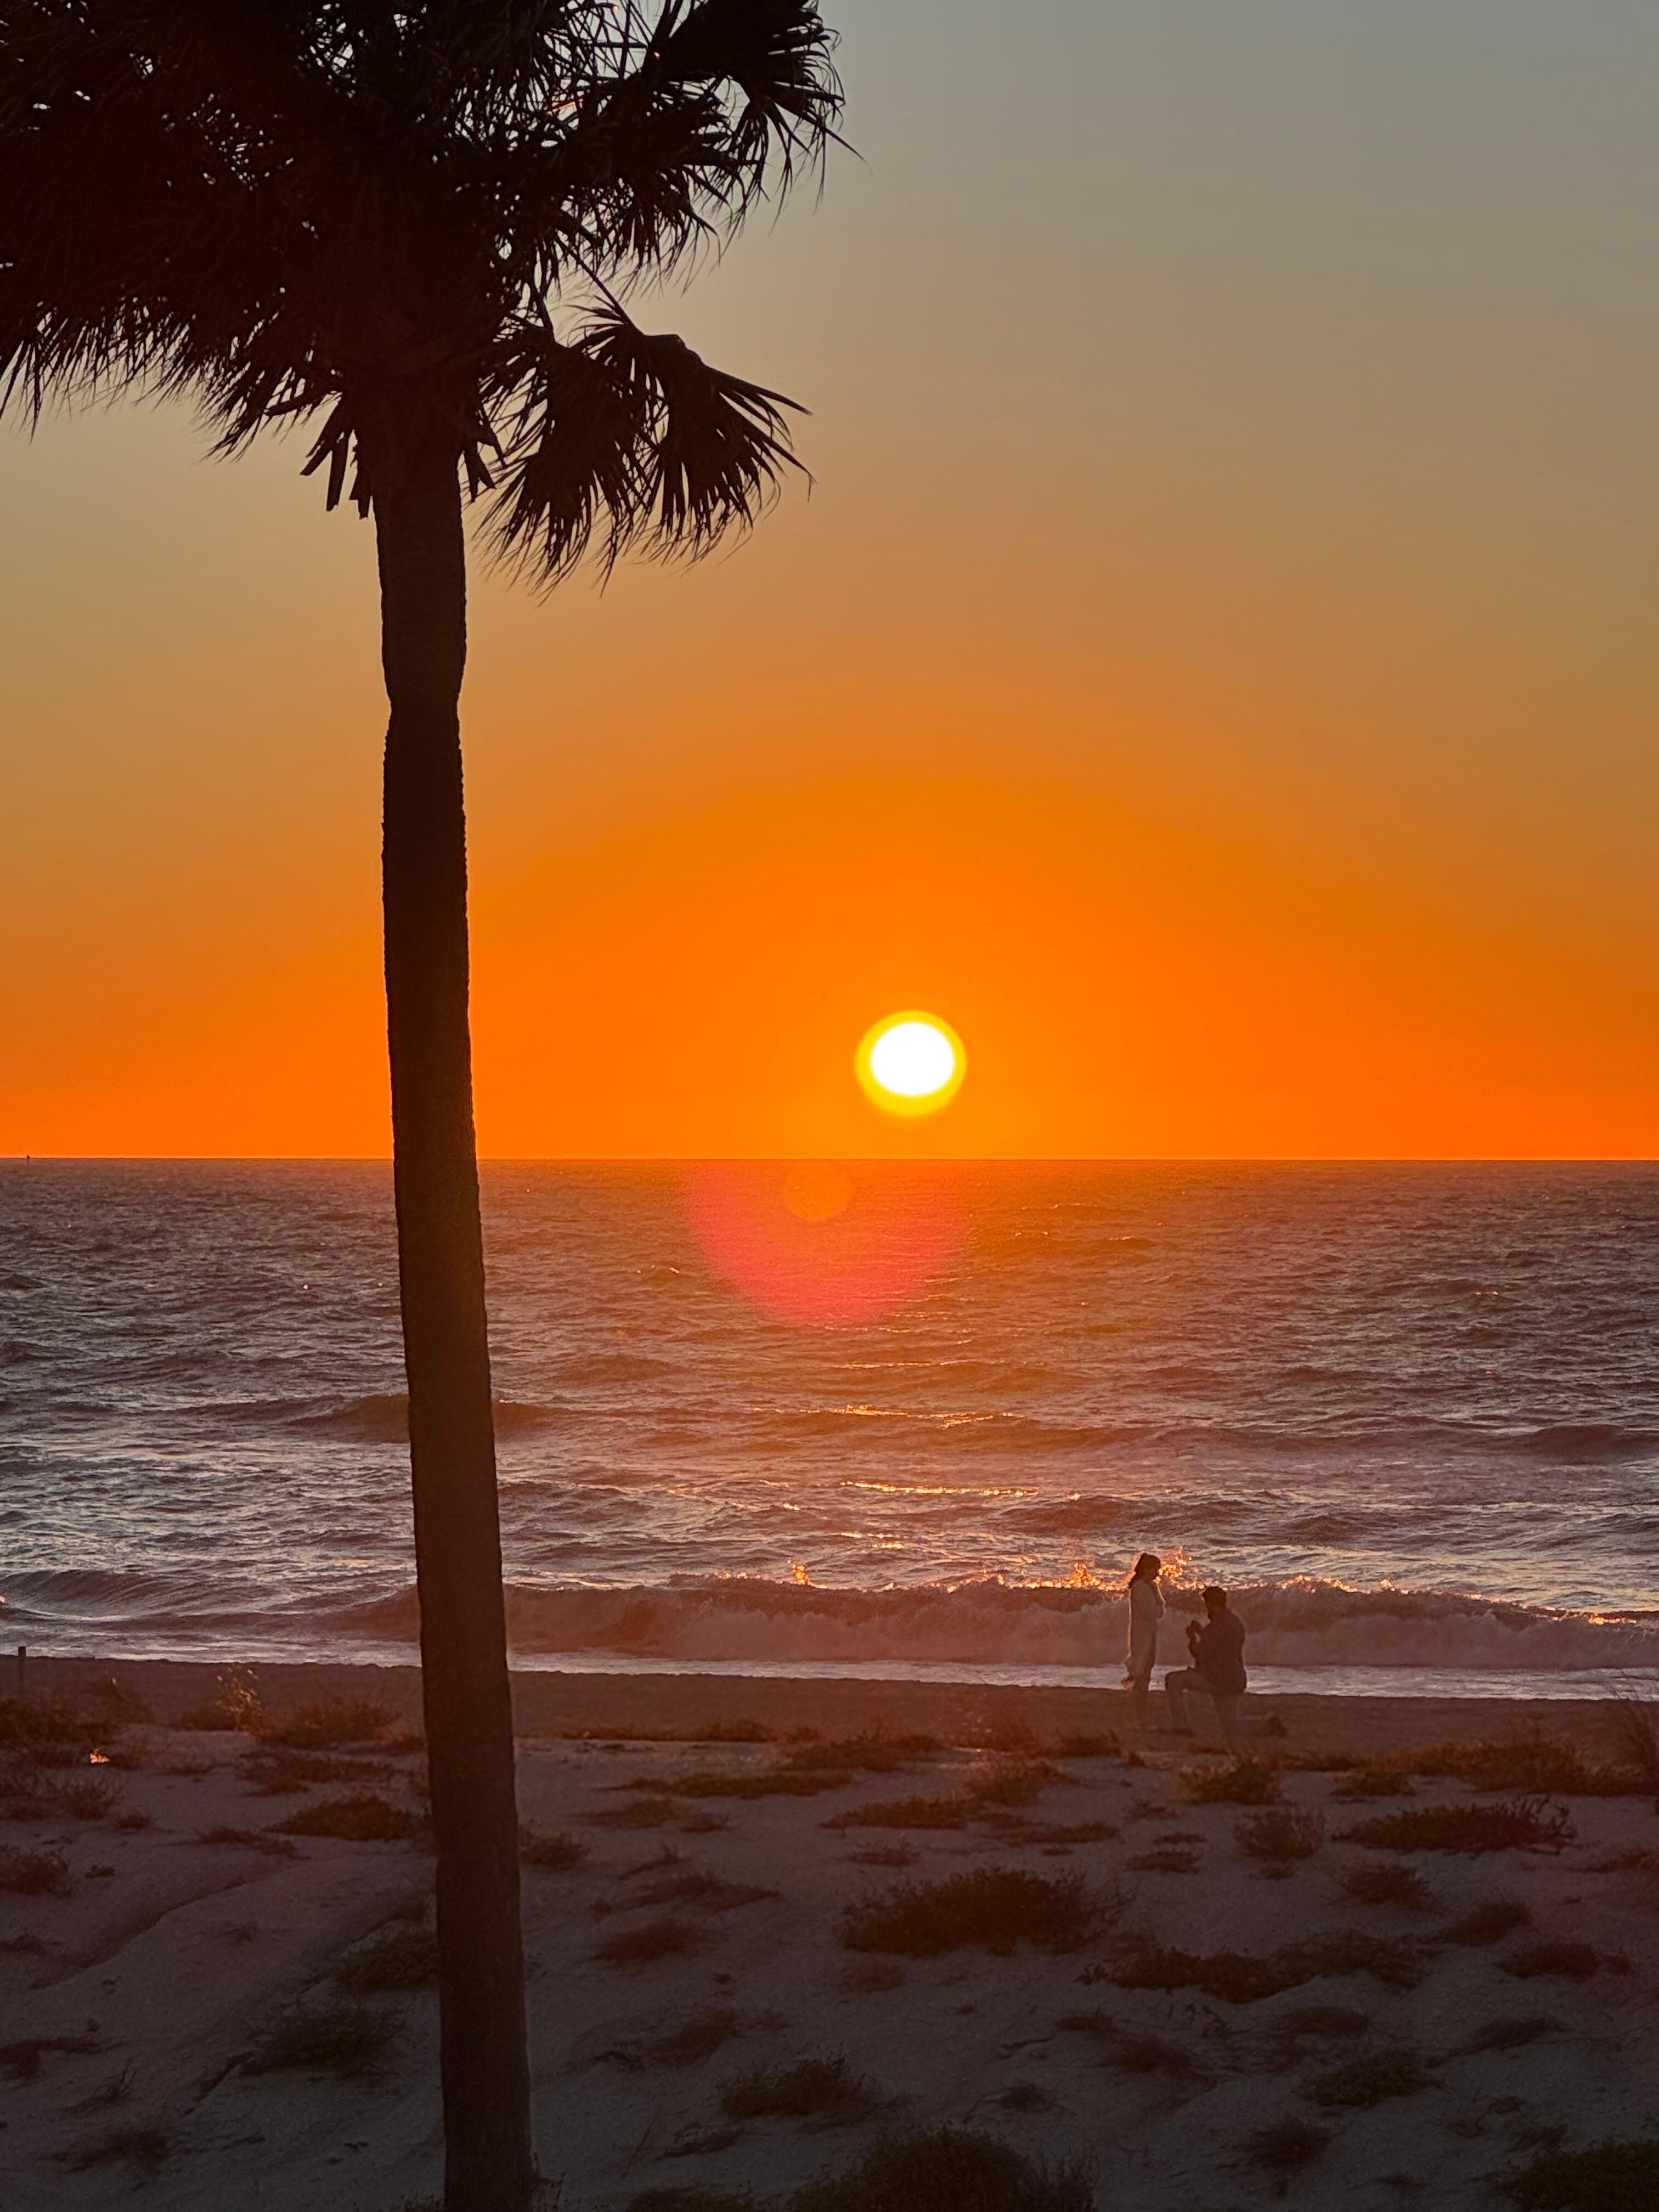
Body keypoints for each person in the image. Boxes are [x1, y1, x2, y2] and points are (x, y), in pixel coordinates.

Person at [1164, 1586, 1247, 1746]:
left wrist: (1193, 1638)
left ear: (1211, 1604)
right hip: (1236, 1678)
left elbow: (1202, 1654)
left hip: (1217, 1678)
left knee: (1173, 1680)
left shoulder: (1215, 1626)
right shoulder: (1235, 1622)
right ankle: (1267, 1725)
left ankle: (1181, 1726)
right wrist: (1202, 1633)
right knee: (1230, 1726)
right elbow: (1219, 1646)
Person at [1121, 1553, 1165, 1731]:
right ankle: (1139, 1717)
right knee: (1142, 1675)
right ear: (1148, 1568)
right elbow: (1155, 1613)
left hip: (1146, 1636)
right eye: (1156, 1569)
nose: (1157, 1573)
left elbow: (1158, 1612)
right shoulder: (1141, 1588)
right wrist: (1157, 1596)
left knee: (1144, 1674)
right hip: (1143, 1638)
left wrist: (1156, 1594)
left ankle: (1139, 1716)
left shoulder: (1147, 1587)